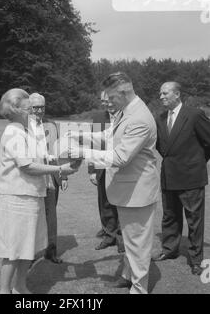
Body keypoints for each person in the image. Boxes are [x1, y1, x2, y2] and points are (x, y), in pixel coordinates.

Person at [69, 72, 160, 294]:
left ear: (124, 92)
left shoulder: (139, 118)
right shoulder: (126, 111)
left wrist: (81, 152)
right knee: (130, 241)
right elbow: (110, 135)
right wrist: (82, 135)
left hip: (137, 193)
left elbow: (120, 157)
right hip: (128, 190)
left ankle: (139, 288)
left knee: (137, 243)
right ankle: (129, 276)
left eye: (111, 98)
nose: (108, 102)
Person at [0, 88, 77, 294]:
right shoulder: (14, 132)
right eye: (28, 108)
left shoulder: (24, 131)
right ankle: (5, 290)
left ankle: (20, 287)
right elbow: (27, 166)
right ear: (16, 109)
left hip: (30, 197)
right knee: (13, 250)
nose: (33, 111)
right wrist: (59, 169)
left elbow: (40, 156)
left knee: (26, 248)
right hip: (17, 199)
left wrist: (68, 152)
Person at [152, 82, 210, 276]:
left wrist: (197, 161)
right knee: (169, 216)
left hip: (192, 177)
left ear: (177, 94)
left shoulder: (194, 115)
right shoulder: (160, 118)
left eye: (165, 93)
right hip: (169, 176)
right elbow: (162, 146)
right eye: (160, 93)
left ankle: (195, 259)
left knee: (194, 220)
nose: (161, 96)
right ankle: (169, 249)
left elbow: (208, 141)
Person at [29, 92, 68, 264]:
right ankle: (28, 255)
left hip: (52, 178)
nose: (39, 111)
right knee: (33, 217)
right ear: (29, 108)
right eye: (35, 107)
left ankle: (51, 251)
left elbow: (60, 151)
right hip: (33, 179)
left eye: (42, 107)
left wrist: (64, 175)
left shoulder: (52, 125)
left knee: (51, 217)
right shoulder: (23, 127)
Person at [88, 94, 124, 253]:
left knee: (122, 204)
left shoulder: (127, 116)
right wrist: (91, 171)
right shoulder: (98, 118)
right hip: (102, 167)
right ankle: (109, 235)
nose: (106, 103)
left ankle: (122, 238)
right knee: (105, 203)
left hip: (122, 168)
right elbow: (92, 144)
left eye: (108, 100)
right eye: (102, 100)